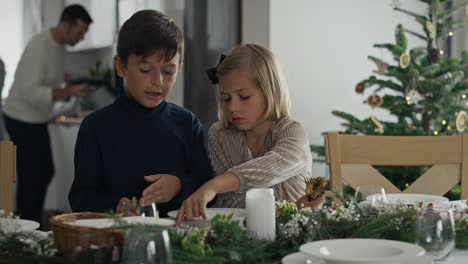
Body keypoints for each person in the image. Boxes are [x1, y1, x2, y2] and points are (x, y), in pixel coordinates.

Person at [68, 10, 213, 217]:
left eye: (168, 71)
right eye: (145, 70)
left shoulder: (187, 123)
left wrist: (178, 185)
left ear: (179, 68)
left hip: (178, 241)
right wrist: (116, 206)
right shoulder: (95, 127)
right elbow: (81, 198)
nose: (158, 82)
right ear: (121, 66)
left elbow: (208, 187)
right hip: (116, 240)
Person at [176, 44, 319, 224]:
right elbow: (228, 203)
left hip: (294, 236)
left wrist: (215, 185)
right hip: (243, 240)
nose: (232, 107)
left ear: (270, 92)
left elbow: (273, 168)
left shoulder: (292, 132)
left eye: (244, 97)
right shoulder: (219, 135)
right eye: (226, 98)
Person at [3, 4, 92, 225]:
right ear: (66, 24)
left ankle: (30, 223)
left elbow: (49, 79)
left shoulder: (59, 47)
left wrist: (65, 81)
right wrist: (69, 91)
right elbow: (30, 90)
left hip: (37, 119)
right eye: (80, 32)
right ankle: (26, 226)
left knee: (43, 172)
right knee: (32, 176)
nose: (81, 38)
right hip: (20, 118)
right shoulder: (39, 45)